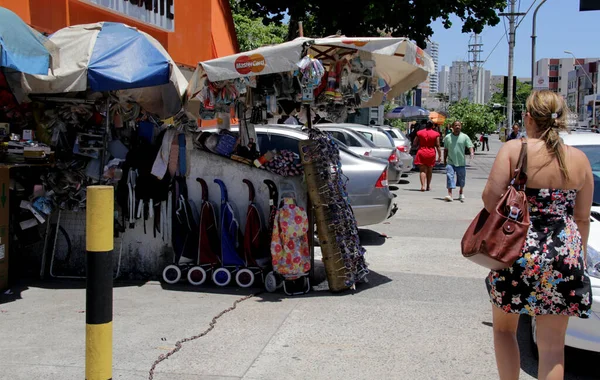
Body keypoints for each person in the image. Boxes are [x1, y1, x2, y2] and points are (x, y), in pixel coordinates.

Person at [482, 90, 592, 380]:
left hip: (517, 250)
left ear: (528, 117)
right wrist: (573, 255)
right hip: (564, 254)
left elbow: (490, 200)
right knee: (553, 346)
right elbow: (581, 217)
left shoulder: (514, 150)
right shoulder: (580, 159)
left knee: (505, 330)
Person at [443, 121, 474, 202]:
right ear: (452, 127)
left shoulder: (464, 136)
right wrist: (444, 160)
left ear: (461, 127)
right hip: (450, 162)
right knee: (450, 177)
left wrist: (471, 153)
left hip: (461, 162)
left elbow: (470, 146)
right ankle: (450, 194)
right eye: (456, 125)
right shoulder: (447, 137)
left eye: (459, 125)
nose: (457, 127)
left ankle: (461, 192)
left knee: (461, 178)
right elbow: (445, 150)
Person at [414, 121, 442, 191]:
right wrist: (440, 156)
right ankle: (428, 186)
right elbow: (438, 145)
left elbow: (415, 142)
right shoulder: (436, 134)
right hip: (431, 153)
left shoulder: (419, 132)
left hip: (422, 152)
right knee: (430, 170)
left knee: (422, 170)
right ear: (432, 126)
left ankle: (423, 186)